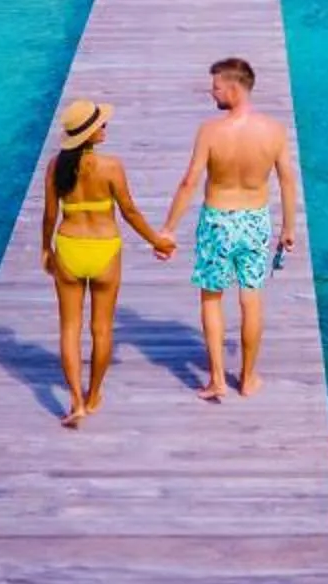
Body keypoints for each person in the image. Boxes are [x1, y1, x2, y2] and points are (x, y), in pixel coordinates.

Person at [162, 57, 301, 401]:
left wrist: (168, 228)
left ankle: (217, 380)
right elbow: (286, 180)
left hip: (218, 221)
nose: (213, 94)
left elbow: (189, 181)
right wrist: (289, 226)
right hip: (255, 221)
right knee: (251, 299)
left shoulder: (211, 131)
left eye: (217, 88)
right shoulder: (274, 130)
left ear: (234, 88)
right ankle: (249, 378)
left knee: (212, 298)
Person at [39, 98, 175, 428]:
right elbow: (129, 212)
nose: (105, 127)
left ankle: (75, 400)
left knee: (69, 329)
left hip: (69, 248)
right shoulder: (111, 166)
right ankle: (93, 395)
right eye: (100, 124)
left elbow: (50, 215)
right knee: (101, 329)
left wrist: (46, 249)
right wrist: (157, 241)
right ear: (88, 134)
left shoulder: (55, 167)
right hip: (104, 250)